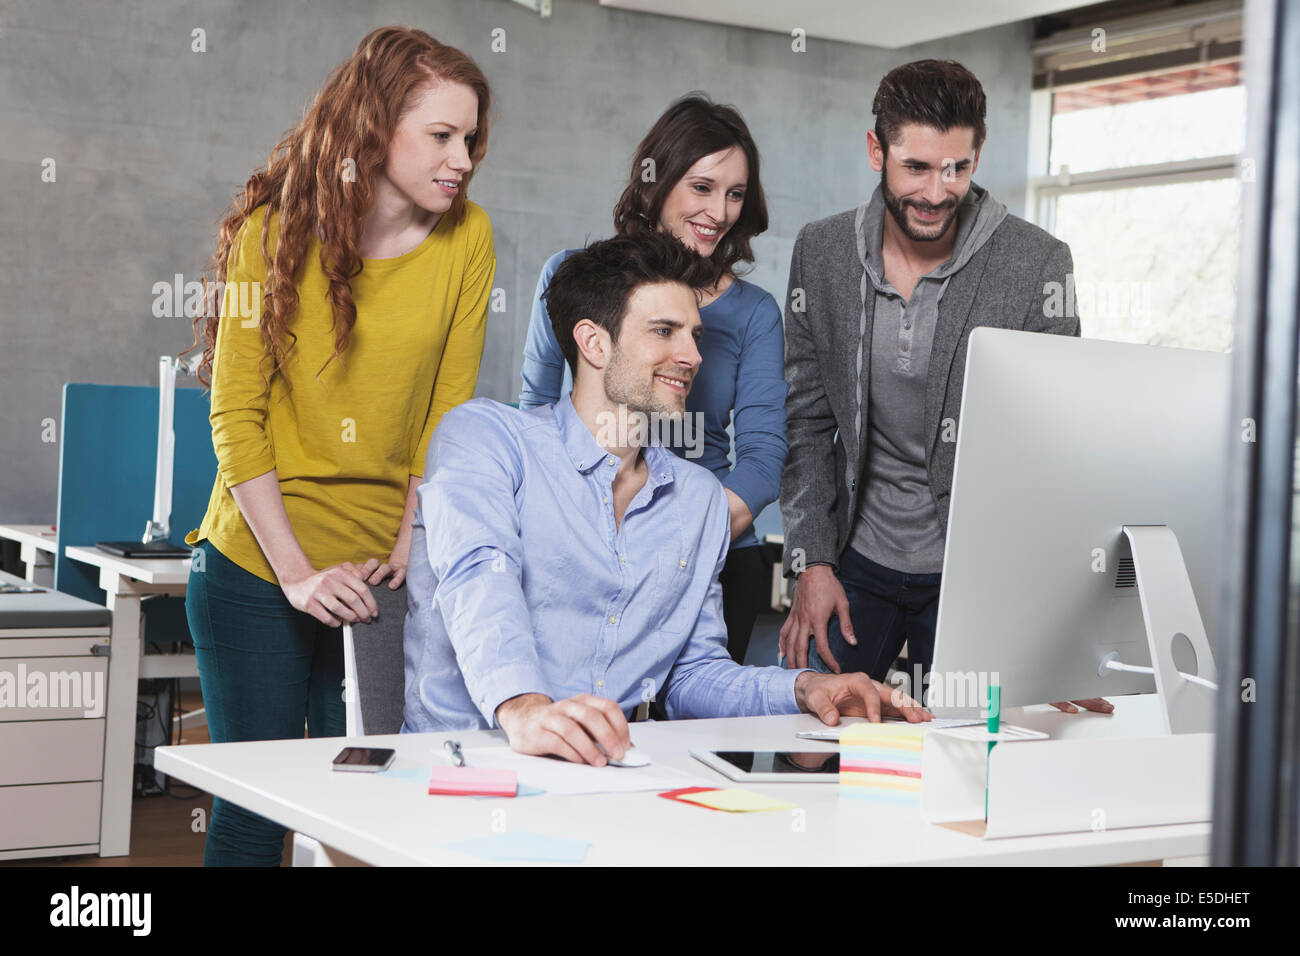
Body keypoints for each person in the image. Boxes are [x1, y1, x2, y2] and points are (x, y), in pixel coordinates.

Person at [403, 233, 928, 757]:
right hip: (462, 768)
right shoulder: (485, 440)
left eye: (694, 335)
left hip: (607, 779)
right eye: (665, 331)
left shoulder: (697, 498)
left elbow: (693, 673)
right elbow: (479, 578)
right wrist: (525, 707)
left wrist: (803, 688)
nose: (693, 356)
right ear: (594, 343)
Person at [182, 26, 496, 865]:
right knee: (258, 812)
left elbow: (449, 413)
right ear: (374, 128)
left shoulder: (469, 240)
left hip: (380, 572)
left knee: (357, 810)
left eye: (470, 137)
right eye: (441, 135)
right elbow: (236, 418)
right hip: (259, 565)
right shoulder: (272, 231)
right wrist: (295, 572)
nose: (462, 156)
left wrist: (405, 543)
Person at [778, 59, 1111, 716]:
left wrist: (1052, 621)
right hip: (856, 560)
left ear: (977, 153)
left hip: (973, 572)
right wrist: (809, 560)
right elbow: (808, 420)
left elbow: (1052, 450)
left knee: (963, 760)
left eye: (957, 167)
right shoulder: (821, 252)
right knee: (812, 750)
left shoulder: (1038, 263)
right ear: (877, 150)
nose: (937, 191)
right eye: (917, 168)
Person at [518, 94, 787, 667]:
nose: (719, 211)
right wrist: (594, 535)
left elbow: (764, 460)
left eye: (735, 193)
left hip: (712, 552)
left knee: (701, 737)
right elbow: (536, 412)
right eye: (702, 187)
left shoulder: (754, 313)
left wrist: (680, 545)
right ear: (656, 182)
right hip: (583, 547)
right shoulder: (573, 278)